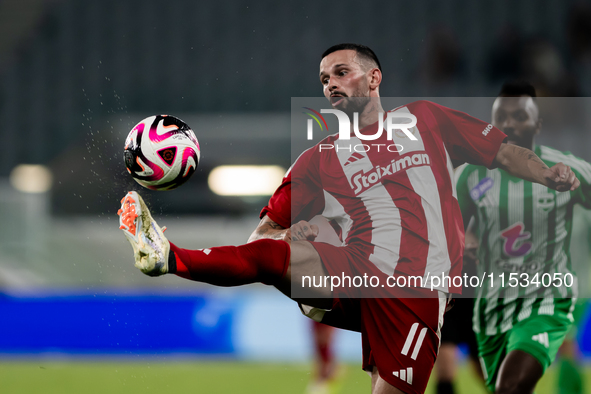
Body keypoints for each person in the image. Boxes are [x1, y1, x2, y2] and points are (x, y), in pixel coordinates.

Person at [118, 45, 579, 394]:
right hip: (356, 267)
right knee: (272, 257)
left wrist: (547, 173)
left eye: (342, 72)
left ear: (374, 77)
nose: (331, 84)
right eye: (324, 79)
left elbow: (500, 151)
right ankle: (167, 257)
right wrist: (294, 230)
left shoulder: (426, 119)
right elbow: (262, 237)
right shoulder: (316, 159)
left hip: (416, 290)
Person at [455, 80, 590, 394]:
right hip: (492, 307)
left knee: (511, 385)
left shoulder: (565, 169)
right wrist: (467, 244)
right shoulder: (470, 176)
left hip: (546, 299)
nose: (508, 124)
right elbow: (452, 233)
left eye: (519, 117)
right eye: (501, 118)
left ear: (538, 124)